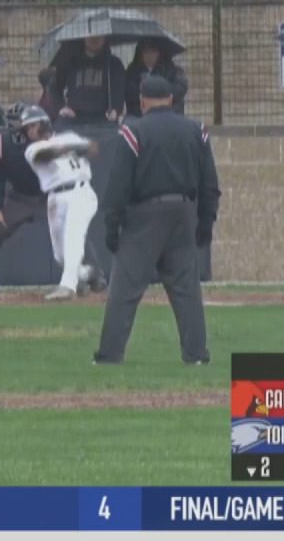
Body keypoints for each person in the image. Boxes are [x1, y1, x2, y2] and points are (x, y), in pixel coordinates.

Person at [95, 76, 219, 366]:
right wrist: (205, 224)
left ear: (142, 100)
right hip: (183, 214)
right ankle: (196, 355)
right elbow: (210, 185)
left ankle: (110, 355)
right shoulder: (196, 130)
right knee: (187, 290)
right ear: (172, 99)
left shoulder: (133, 132)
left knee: (124, 290)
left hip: (144, 217)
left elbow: (118, 186)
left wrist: (112, 227)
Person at [22, 105, 103, 301]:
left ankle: (67, 286)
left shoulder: (70, 136)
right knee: (60, 255)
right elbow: (46, 155)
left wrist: (84, 146)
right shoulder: (33, 149)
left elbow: (93, 149)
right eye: (27, 128)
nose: (30, 131)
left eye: (33, 125)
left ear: (44, 123)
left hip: (80, 192)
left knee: (73, 237)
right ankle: (87, 274)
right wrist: (70, 148)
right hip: (55, 199)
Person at [0, 102, 47, 268]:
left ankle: (93, 276)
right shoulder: (1, 144)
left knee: (71, 229)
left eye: (33, 125)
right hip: (20, 197)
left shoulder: (48, 140)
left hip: (48, 196)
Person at [49, 36, 126, 124]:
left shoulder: (114, 64)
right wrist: (61, 108)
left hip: (104, 120)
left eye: (98, 36)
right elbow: (54, 87)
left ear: (104, 38)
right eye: (90, 36)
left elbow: (119, 90)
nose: (94, 39)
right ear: (84, 37)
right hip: (74, 119)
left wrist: (116, 110)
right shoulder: (70, 62)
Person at [124, 38, 189, 117]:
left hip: (170, 116)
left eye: (153, 52)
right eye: (146, 52)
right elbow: (128, 92)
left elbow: (180, 88)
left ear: (160, 53)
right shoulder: (132, 71)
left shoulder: (172, 70)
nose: (149, 56)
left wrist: (157, 89)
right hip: (139, 118)